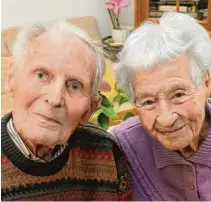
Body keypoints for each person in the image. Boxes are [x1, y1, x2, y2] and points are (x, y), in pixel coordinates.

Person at [1, 21, 133, 201]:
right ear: (11, 78)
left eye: (74, 86)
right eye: (41, 75)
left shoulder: (107, 152)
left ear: (90, 109)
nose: (55, 99)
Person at [112, 12, 211, 201]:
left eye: (178, 95)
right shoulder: (124, 146)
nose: (166, 119)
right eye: (148, 102)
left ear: (206, 83)